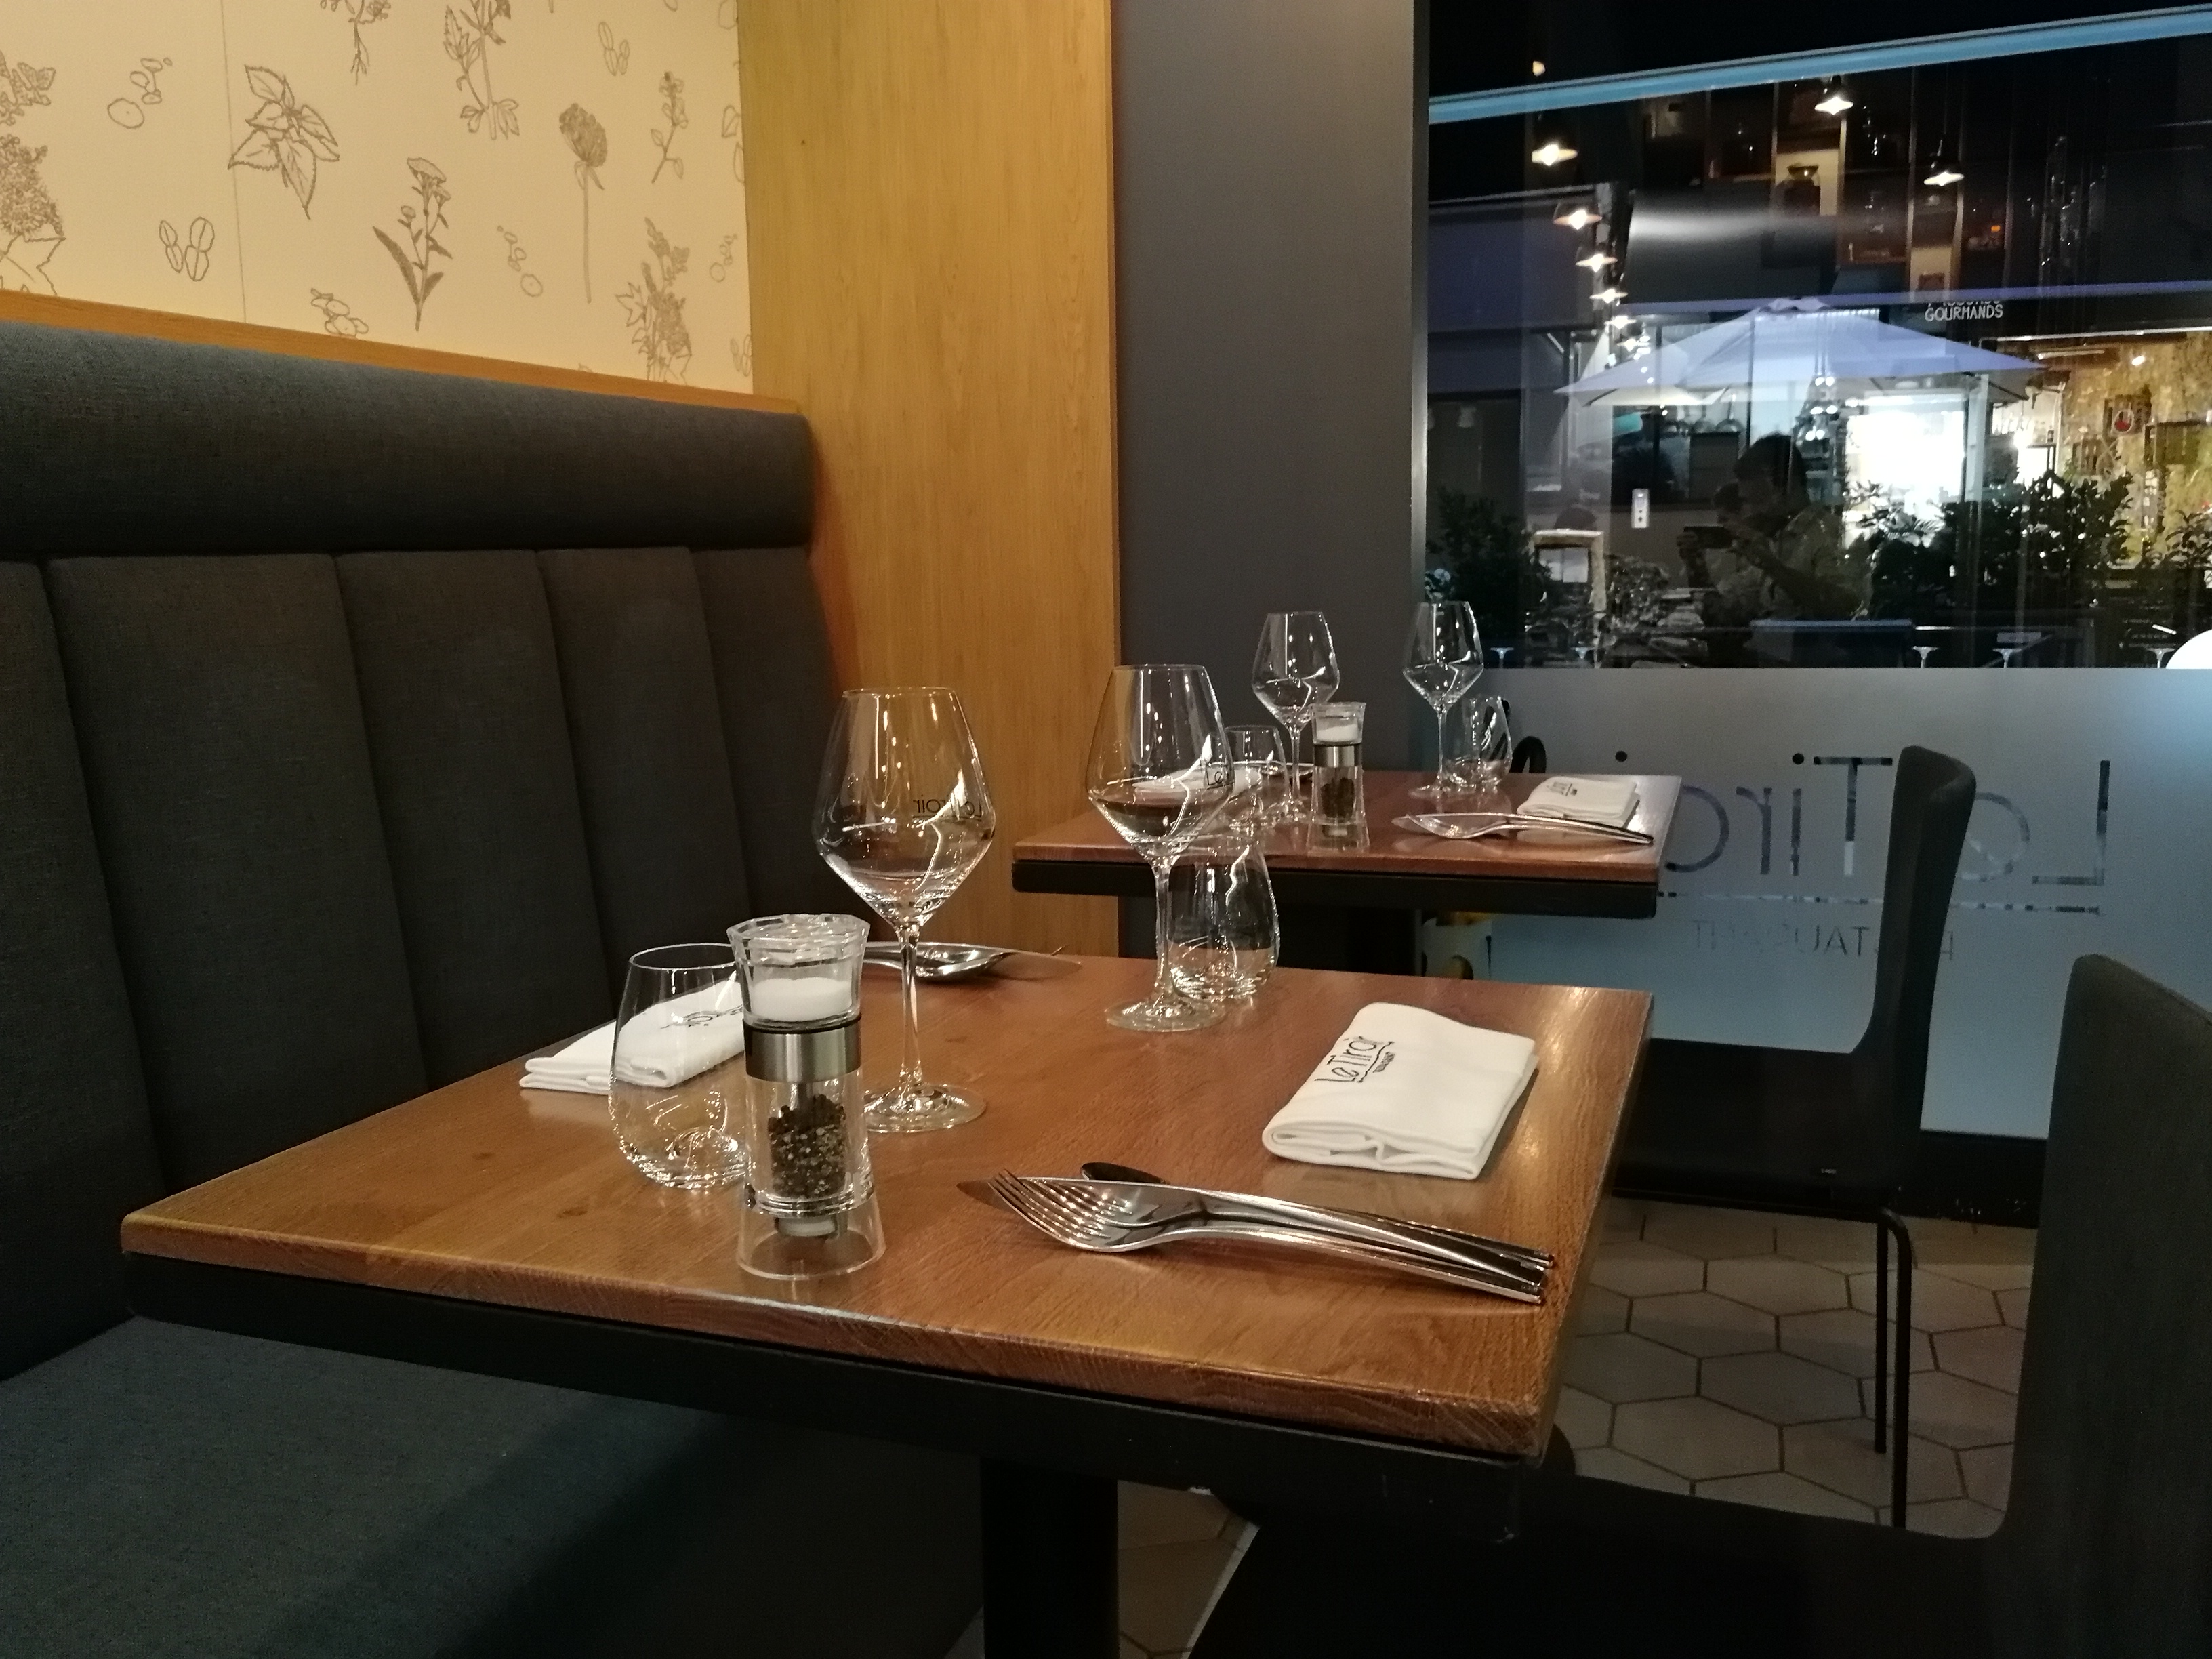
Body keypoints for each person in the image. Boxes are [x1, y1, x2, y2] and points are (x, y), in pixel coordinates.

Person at [1677, 434, 1863, 621]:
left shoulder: (1829, 533)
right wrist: (1696, 566)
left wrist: (1772, 566)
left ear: (1785, 487)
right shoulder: (1775, 540)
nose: (1749, 514)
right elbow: (1722, 614)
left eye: (1755, 502)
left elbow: (1844, 608)